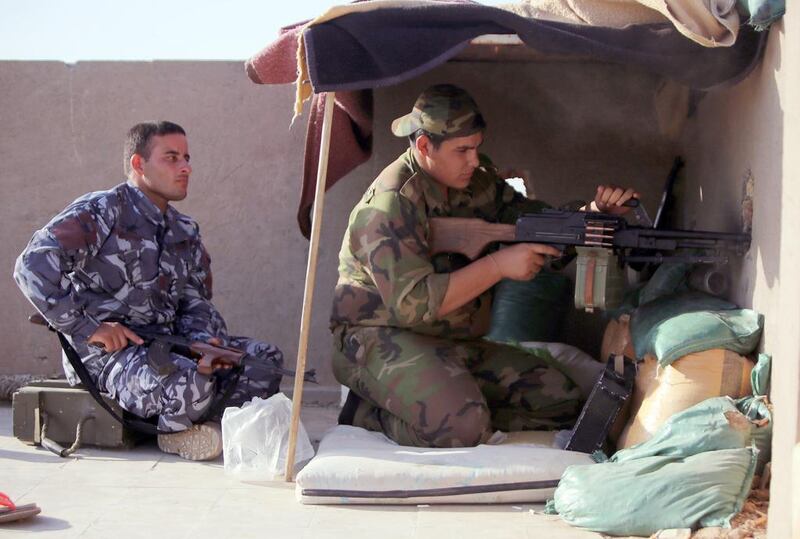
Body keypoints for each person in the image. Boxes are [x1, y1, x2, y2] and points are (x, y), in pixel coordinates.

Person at [330, 84, 638, 448]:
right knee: (460, 429)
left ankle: (453, 401)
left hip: (450, 341)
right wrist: (498, 265)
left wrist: (594, 216)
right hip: (380, 338)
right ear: (425, 147)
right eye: (462, 151)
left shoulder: (477, 183)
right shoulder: (389, 206)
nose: (474, 160)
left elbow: (533, 221)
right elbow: (413, 305)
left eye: (477, 147)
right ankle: (366, 412)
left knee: (561, 400)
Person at [14, 121, 284, 461]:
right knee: (189, 384)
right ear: (138, 164)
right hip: (109, 356)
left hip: (171, 345)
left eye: (186, 157)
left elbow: (195, 300)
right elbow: (32, 265)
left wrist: (202, 343)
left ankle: (202, 426)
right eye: (171, 158)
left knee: (264, 362)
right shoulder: (102, 211)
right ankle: (180, 430)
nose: (185, 167)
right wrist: (90, 328)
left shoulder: (183, 229)